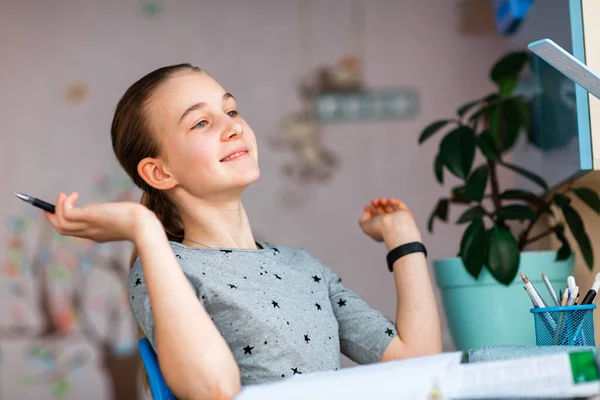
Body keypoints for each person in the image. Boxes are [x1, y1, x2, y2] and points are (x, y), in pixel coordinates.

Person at [43, 64, 441, 400]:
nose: (232, 127)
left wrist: (403, 237)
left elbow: (418, 364)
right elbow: (215, 389)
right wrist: (143, 230)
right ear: (159, 172)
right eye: (201, 122)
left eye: (230, 110)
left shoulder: (301, 266)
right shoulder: (167, 269)